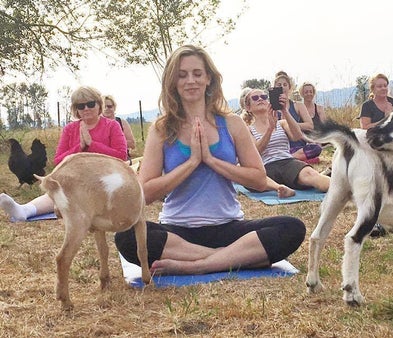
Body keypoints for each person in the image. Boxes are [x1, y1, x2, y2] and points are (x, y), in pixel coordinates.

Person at [113, 45, 305, 275]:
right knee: (127, 236)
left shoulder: (232, 123)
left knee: (291, 228)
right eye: (182, 75)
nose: (190, 81)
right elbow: (145, 193)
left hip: (228, 226)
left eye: (197, 73)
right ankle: (234, 258)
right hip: (178, 231)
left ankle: (199, 265)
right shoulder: (162, 129)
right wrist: (192, 162)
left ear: (208, 79)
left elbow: (259, 179)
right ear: (172, 82)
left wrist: (212, 161)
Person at [0, 86, 128, 222]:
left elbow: (121, 156)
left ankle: (32, 209)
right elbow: (58, 160)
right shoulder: (70, 129)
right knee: (61, 187)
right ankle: (25, 210)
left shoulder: (112, 126)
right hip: (77, 176)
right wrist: (80, 147)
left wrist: (92, 144)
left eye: (90, 104)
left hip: (105, 176)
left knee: (74, 190)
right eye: (80, 106)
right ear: (76, 109)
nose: (86, 109)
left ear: (99, 105)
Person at [245, 88, 331, 193]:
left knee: (311, 175)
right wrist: (270, 129)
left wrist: (285, 111)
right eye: (255, 98)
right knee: (249, 179)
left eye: (263, 97)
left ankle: (346, 189)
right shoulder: (248, 130)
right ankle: (279, 188)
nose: (260, 99)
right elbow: (256, 151)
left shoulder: (282, 123)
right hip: (265, 167)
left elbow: (297, 135)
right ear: (248, 107)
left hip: (287, 162)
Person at [274, 71, 322, 163]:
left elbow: (310, 125)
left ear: (289, 87)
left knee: (316, 148)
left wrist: (291, 124)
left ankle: (287, 158)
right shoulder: (270, 108)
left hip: (298, 147)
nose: (282, 87)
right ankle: (293, 158)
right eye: (279, 85)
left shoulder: (298, 105)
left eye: (285, 84)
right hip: (280, 147)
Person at [102, 95, 136, 161]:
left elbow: (132, 144)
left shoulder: (122, 123)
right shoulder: (96, 124)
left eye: (109, 106)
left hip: (121, 160)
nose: (106, 109)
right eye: (104, 107)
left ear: (114, 107)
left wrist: (116, 143)